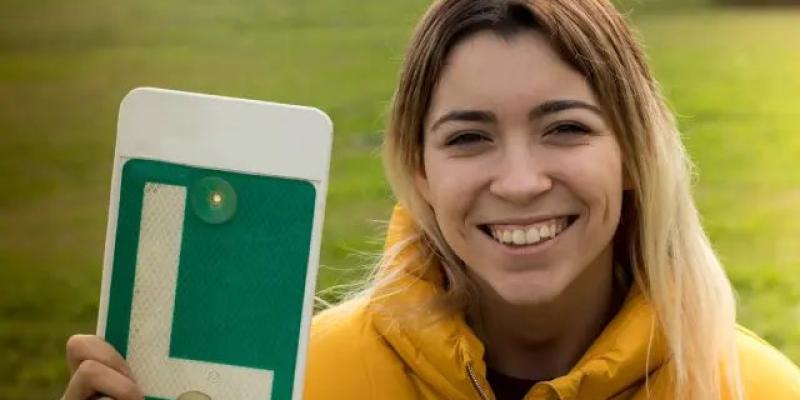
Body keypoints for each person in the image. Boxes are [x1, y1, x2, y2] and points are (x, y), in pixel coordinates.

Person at [62, 0, 800, 399]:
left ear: (635, 154)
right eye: (469, 138)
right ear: (418, 172)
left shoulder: (754, 389)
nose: (520, 182)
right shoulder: (302, 381)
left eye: (566, 128)